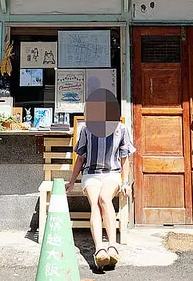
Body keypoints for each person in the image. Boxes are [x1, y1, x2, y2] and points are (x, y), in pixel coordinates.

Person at [66, 89, 134, 271]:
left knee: (104, 198)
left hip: (112, 173)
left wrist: (125, 183)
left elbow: (125, 158)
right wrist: (72, 181)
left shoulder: (121, 129)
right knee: (95, 203)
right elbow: (80, 158)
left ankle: (112, 247)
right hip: (91, 173)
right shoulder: (87, 129)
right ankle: (99, 250)